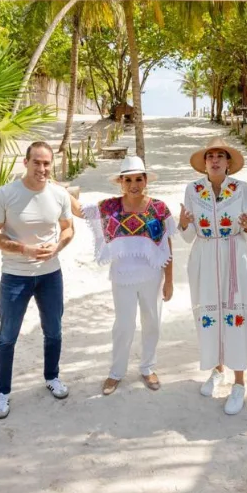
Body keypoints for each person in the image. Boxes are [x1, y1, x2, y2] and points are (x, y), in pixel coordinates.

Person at [0, 141, 75, 419]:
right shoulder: (5, 194)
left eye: (47, 163)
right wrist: (24, 249)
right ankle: (2, 393)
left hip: (50, 275)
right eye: (37, 162)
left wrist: (57, 247)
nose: (42, 168)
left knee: (54, 331)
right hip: (15, 276)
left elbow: (68, 229)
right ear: (26, 163)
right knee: (7, 336)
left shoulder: (59, 195)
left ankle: (52, 377)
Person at [70, 156, 175, 395]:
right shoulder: (110, 207)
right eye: (128, 180)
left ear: (146, 180)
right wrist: (54, 185)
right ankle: (116, 372)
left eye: (139, 178)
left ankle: (148, 368)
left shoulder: (159, 208)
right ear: (121, 182)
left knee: (153, 323)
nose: (134, 184)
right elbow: (79, 211)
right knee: (124, 326)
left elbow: (167, 245)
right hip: (122, 276)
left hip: (152, 275)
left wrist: (169, 280)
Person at [179, 136, 247, 415]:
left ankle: (238, 383)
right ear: (204, 163)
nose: (214, 160)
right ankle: (216, 369)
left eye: (220, 156)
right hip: (203, 257)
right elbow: (188, 236)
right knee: (209, 316)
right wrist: (184, 223)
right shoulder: (193, 189)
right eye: (210, 156)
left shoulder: (242, 189)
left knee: (234, 315)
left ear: (228, 163)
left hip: (233, 256)